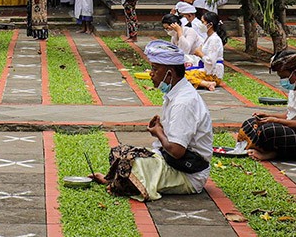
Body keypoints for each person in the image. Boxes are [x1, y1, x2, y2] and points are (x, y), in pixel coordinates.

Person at [89, 41, 213, 201]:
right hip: (174, 161)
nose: (151, 74)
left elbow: (176, 151)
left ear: (170, 73)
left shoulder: (184, 102)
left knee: (130, 161)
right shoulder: (178, 94)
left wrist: (158, 133)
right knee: (120, 153)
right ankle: (114, 180)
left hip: (188, 174)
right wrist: (161, 129)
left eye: (155, 69)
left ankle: (122, 183)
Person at [190, 12, 226, 91]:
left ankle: (206, 83)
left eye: (203, 22)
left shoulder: (214, 40)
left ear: (210, 25)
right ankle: (204, 83)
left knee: (183, 76)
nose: (201, 24)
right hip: (206, 69)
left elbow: (211, 61)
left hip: (213, 74)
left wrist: (200, 54)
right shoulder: (208, 38)